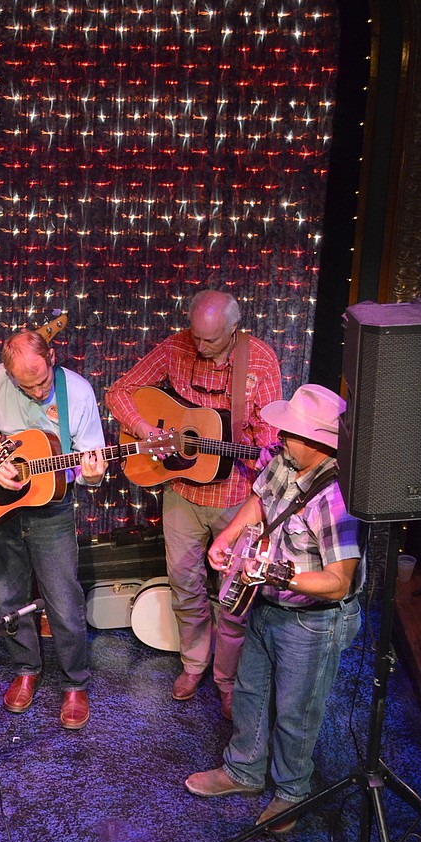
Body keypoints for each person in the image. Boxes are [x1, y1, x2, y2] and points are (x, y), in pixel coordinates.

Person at [185, 384, 364, 831]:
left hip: (312, 621)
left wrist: (275, 573)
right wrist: (226, 539)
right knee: (249, 692)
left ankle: (291, 792)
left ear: (319, 443)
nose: (281, 437)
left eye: (291, 433)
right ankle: (243, 771)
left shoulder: (336, 500)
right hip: (268, 605)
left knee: (295, 711)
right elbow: (260, 502)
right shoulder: (284, 460)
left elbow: (339, 582)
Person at [106, 290, 282, 717]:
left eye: (210, 341)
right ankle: (192, 665)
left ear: (232, 330)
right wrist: (147, 429)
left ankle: (227, 681)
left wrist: (265, 450)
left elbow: (272, 435)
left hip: (236, 498)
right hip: (182, 492)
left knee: (232, 597)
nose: (199, 347)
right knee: (185, 585)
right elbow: (118, 392)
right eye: (196, 337)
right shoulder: (177, 345)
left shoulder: (259, 361)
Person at [0, 329, 107, 730]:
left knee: (63, 599)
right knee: (9, 596)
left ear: (52, 357)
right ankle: (27, 667)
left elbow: (89, 464)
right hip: (2, 509)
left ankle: (75, 683)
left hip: (53, 510)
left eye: (43, 381)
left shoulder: (76, 392)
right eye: (26, 387)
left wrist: (93, 476)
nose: (38, 392)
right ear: (9, 375)